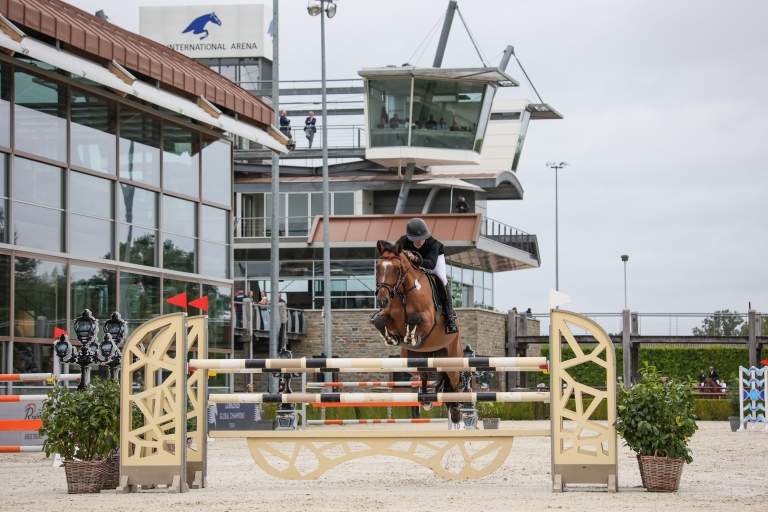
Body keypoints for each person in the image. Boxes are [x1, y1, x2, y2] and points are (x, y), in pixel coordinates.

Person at [395, 218, 458, 334]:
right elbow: (395, 252)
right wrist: (403, 253)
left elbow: (431, 264)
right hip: (414, 264)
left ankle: (450, 317)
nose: (419, 241)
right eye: (416, 239)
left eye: (422, 238)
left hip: (433, 260)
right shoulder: (403, 240)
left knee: (442, 279)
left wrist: (415, 258)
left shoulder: (433, 244)